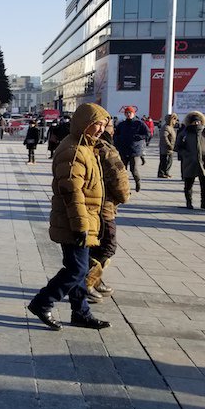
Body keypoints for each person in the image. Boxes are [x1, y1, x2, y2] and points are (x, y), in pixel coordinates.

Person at [28, 103, 112, 331]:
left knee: (80, 268)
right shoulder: (74, 150)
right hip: (74, 221)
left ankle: (80, 312)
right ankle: (42, 303)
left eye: (103, 125)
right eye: (97, 124)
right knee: (76, 269)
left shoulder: (86, 147)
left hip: (85, 219)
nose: (100, 129)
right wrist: (80, 225)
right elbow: (71, 192)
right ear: (84, 123)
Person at [86, 119, 130, 302]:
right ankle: (87, 282)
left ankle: (95, 280)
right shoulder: (106, 149)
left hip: (90, 204)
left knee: (94, 244)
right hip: (104, 206)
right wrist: (124, 196)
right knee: (107, 246)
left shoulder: (85, 144)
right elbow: (119, 178)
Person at [175, 111, 205, 210]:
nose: (196, 123)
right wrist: (186, 155)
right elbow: (178, 147)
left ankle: (204, 203)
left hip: (204, 162)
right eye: (194, 122)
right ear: (190, 122)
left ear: (201, 122)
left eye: (198, 121)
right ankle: (189, 202)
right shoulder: (185, 133)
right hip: (189, 162)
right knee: (188, 184)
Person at [113, 106, 150, 192]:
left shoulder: (139, 123)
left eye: (130, 113)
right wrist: (117, 142)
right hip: (123, 149)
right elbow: (116, 135)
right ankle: (124, 186)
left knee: (133, 169)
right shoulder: (121, 124)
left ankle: (138, 183)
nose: (128, 114)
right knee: (122, 170)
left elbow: (147, 134)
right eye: (127, 113)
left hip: (135, 150)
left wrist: (138, 137)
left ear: (133, 113)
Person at [157, 113, 178, 178]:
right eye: (174, 119)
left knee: (169, 161)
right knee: (164, 161)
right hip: (165, 148)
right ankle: (161, 173)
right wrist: (169, 145)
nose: (175, 121)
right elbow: (164, 137)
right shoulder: (166, 127)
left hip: (170, 148)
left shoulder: (170, 127)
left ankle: (166, 172)